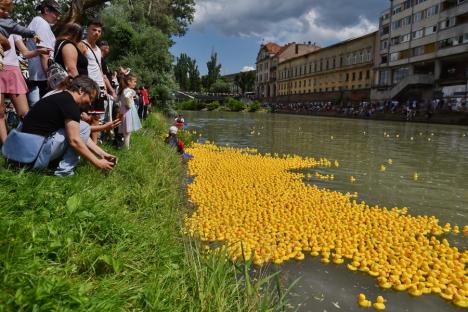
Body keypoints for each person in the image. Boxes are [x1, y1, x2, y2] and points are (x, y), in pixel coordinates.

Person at [1, 76, 116, 176]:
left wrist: (102, 154)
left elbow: (80, 134)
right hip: (33, 158)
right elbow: (75, 140)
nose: (90, 103)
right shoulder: (71, 104)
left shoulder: (57, 97)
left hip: (17, 155)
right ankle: (64, 172)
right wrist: (97, 163)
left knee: (81, 127)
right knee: (83, 128)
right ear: (81, 90)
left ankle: (50, 166)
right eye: (90, 98)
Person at [0, 34, 50, 143]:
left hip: (13, 70)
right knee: (0, 112)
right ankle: (6, 147)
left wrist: (39, 51)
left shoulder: (13, 30)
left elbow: (25, 53)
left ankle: (30, 143)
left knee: (24, 113)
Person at [82, 21, 114, 142]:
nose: (96, 33)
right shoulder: (82, 45)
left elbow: (100, 69)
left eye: (99, 31)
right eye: (94, 30)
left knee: (96, 116)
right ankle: (84, 141)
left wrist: (104, 87)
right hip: (88, 85)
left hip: (99, 86)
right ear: (87, 29)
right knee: (85, 116)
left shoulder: (98, 50)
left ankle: (94, 144)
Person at [27, 0, 61, 104]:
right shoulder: (42, 24)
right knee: (40, 111)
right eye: (56, 13)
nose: (58, 17)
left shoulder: (37, 21)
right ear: (46, 10)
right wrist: (50, 78)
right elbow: (44, 54)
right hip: (41, 77)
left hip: (36, 75)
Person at [117, 73, 141, 149]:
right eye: (134, 81)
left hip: (125, 111)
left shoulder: (124, 90)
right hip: (127, 112)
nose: (135, 83)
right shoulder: (128, 91)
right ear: (128, 81)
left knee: (127, 131)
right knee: (127, 132)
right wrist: (131, 100)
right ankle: (126, 149)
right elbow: (128, 104)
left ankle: (126, 147)